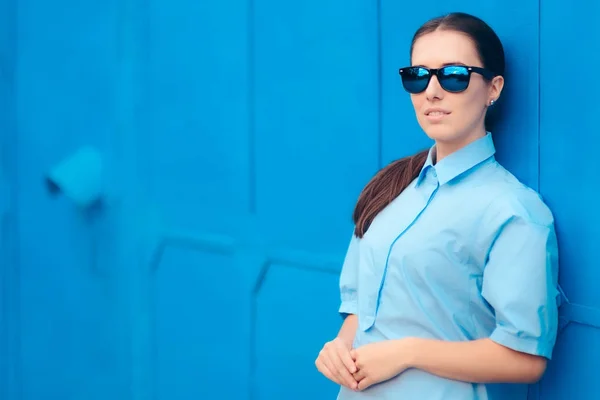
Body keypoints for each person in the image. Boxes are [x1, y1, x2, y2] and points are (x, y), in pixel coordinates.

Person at [315, 11, 560, 400]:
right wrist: (339, 349)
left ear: (493, 88)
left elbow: (526, 359)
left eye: (454, 75)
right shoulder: (391, 189)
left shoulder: (514, 211)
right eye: (418, 76)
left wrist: (408, 353)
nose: (432, 91)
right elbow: (361, 311)